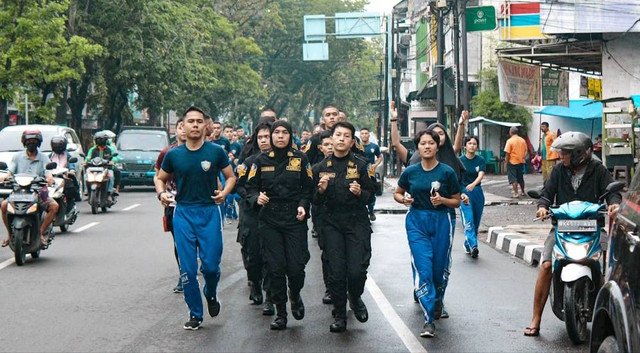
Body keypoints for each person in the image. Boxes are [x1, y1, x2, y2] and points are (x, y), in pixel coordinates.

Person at [524, 131, 620, 337]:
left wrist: (613, 203)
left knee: (609, 266)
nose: (561, 156)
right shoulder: (559, 171)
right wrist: (542, 206)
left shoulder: (598, 170)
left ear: (579, 154)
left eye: (565, 153)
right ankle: (536, 318)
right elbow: (546, 193)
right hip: (561, 228)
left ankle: (611, 318)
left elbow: (612, 191)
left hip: (592, 228)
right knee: (546, 265)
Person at [155, 106, 236, 330]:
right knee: (188, 270)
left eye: (199, 121)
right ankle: (195, 313)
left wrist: (225, 192)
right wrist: (161, 193)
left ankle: (210, 293)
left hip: (209, 212)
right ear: (183, 126)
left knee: (210, 267)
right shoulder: (173, 155)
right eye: (190, 121)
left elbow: (231, 177)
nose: (195, 125)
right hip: (183, 213)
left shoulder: (216, 151)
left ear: (205, 126)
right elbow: (160, 178)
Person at [245, 120, 314, 330]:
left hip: (294, 219)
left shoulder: (301, 159)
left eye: (285, 132)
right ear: (271, 136)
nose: (280, 136)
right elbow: (249, 187)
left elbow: (308, 187)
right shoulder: (260, 160)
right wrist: (256, 197)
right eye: (277, 133)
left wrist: (303, 205)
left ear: (291, 136)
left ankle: (295, 294)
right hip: (269, 220)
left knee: (295, 268)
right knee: (275, 269)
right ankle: (281, 313)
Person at [393, 129, 461, 338]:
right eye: (423, 143)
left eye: (431, 142)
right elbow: (397, 193)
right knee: (424, 268)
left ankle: (438, 298)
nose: (427, 146)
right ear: (418, 147)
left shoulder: (447, 172)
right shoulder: (410, 172)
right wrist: (403, 200)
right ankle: (428, 319)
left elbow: (456, 201)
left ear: (437, 145)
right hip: (417, 222)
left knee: (438, 269)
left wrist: (443, 201)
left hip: (441, 221)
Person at [313, 122, 375, 333]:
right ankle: (340, 314)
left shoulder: (361, 164)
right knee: (336, 272)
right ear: (331, 139)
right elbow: (314, 201)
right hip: (331, 224)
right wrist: (320, 192)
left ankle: (355, 297)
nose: (341, 139)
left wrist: (361, 194)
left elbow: (371, 194)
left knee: (357, 270)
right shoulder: (320, 168)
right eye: (337, 135)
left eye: (346, 136)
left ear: (351, 141)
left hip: (356, 222)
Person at [235, 123, 272, 311]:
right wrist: (254, 198)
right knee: (253, 255)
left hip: (274, 216)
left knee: (272, 257)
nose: (264, 141)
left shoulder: (286, 162)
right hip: (251, 214)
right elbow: (239, 186)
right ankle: (254, 283)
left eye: (268, 136)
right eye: (261, 137)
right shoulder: (249, 162)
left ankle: (270, 297)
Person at [1, 130, 59, 248]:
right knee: (3, 205)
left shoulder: (43, 158)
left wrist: (49, 179)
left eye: (34, 141)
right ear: (24, 142)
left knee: (54, 206)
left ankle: (41, 233)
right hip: (18, 192)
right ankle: (9, 234)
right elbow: (10, 172)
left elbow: (48, 173)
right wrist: (5, 178)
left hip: (38, 192)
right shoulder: (17, 157)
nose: (31, 143)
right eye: (29, 141)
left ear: (38, 143)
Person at [154, 117, 186, 293]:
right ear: (176, 130)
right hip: (174, 205)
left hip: (198, 205)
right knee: (179, 241)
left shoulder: (204, 152)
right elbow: (158, 176)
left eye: (185, 126)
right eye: (179, 127)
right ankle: (184, 275)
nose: (183, 130)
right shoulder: (166, 153)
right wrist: (161, 193)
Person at [313, 130, 334, 304]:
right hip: (323, 218)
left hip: (349, 219)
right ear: (321, 148)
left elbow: (369, 193)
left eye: (332, 143)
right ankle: (330, 288)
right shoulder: (316, 169)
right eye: (326, 145)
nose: (330, 147)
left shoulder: (354, 164)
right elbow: (312, 197)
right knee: (327, 253)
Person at [459, 136, 486, 258]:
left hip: (477, 192)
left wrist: (474, 184)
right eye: (469, 143)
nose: (472, 146)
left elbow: (481, 175)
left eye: (474, 143)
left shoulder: (480, 160)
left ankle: (468, 243)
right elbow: (457, 178)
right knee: (468, 220)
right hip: (464, 193)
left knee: (476, 221)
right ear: (465, 146)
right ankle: (474, 245)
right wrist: (462, 190)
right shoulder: (459, 161)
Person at [84, 131, 119, 199]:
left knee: (110, 176)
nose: (100, 141)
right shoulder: (92, 149)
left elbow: (115, 158)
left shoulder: (110, 149)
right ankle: (87, 191)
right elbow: (88, 157)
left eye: (102, 139)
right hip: (94, 168)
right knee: (86, 176)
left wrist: (112, 161)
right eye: (98, 139)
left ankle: (109, 192)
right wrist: (85, 161)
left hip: (106, 168)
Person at [49, 136, 80, 211]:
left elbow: (71, 164)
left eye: (59, 145)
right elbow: (46, 165)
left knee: (70, 186)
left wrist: (71, 170)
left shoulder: (67, 155)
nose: (57, 147)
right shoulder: (50, 156)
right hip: (52, 177)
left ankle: (74, 198)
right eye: (55, 145)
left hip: (64, 176)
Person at [360, 127, 383, 221]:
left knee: (371, 191)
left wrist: (375, 164)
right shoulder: (357, 147)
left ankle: (371, 210)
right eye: (362, 133)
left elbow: (380, 157)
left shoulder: (374, 146)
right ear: (360, 135)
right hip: (360, 173)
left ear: (369, 135)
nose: (364, 135)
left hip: (370, 173)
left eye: (366, 133)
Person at [504, 127, 527, 197]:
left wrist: (506, 161)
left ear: (511, 132)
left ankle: (516, 193)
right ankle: (523, 192)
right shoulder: (522, 140)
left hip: (512, 161)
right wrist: (522, 157)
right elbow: (526, 151)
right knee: (520, 177)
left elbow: (507, 153)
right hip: (521, 161)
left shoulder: (510, 141)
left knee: (513, 178)